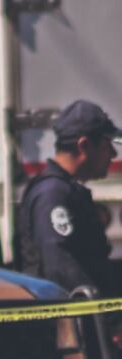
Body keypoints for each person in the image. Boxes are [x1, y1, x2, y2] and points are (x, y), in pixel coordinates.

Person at [15, 100, 121, 297]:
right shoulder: (52, 195)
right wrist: (105, 320)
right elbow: (60, 266)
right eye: (108, 146)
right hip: (63, 324)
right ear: (85, 145)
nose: (113, 154)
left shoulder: (65, 191)